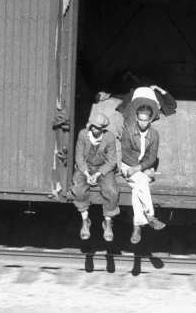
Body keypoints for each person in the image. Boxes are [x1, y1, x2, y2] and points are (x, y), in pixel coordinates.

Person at [119, 93, 167, 243]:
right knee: (142, 182)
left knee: (137, 189)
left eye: (145, 120)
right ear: (136, 118)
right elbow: (125, 155)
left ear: (151, 120)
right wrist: (137, 168)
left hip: (142, 168)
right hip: (128, 165)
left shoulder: (154, 135)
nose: (142, 123)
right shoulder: (128, 131)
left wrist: (140, 168)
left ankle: (137, 226)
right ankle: (150, 215)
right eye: (140, 119)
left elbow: (152, 157)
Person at [71, 113, 119, 241]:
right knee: (78, 188)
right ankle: (85, 220)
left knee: (112, 190)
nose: (93, 128)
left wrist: (98, 174)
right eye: (92, 125)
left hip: (102, 168)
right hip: (85, 167)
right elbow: (79, 157)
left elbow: (112, 161)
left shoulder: (109, 137)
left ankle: (107, 222)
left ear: (103, 128)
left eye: (96, 127)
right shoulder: (83, 134)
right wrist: (86, 174)